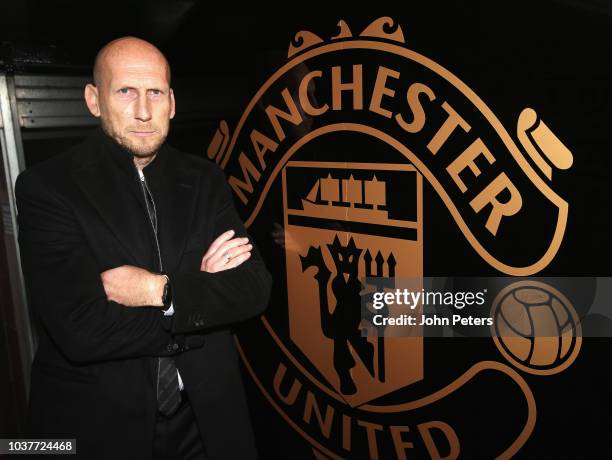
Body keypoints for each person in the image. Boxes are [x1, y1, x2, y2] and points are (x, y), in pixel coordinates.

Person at [15, 36, 272, 460]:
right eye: (125, 92)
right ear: (93, 100)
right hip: (97, 426)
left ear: (172, 102)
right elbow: (82, 329)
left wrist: (163, 292)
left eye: (155, 92)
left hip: (206, 422)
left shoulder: (205, 180)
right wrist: (199, 302)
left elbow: (254, 288)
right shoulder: (48, 188)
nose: (143, 110)